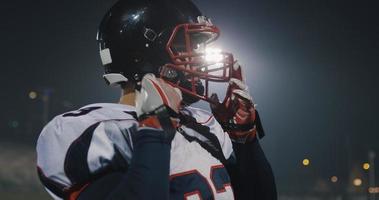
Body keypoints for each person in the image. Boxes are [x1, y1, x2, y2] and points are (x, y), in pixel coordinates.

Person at [36, 0, 277, 199]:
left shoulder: (205, 125)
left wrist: (244, 139)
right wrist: (154, 131)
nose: (200, 59)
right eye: (187, 47)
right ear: (143, 55)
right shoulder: (95, 131)